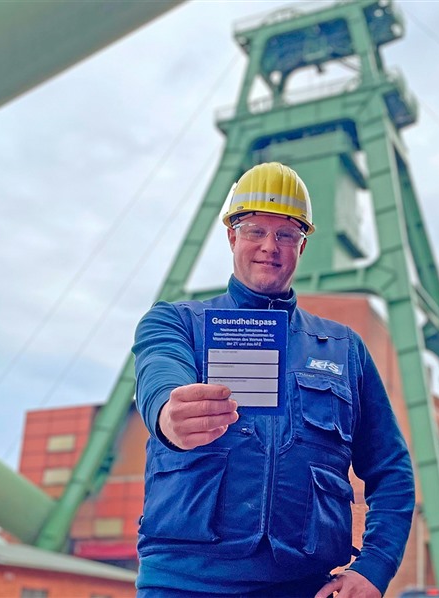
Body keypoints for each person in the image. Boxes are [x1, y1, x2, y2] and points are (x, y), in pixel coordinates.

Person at [132, 162, 415, 598]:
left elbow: (391, 469)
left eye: (286, 234)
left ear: (302, 245)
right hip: (182, 586)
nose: (270, 246)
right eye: (255, 231)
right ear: (232, 237)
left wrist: (374, 567)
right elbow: (160, 373)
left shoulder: (343, 349)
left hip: (303, 587)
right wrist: (170, 413)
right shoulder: (176, 323)